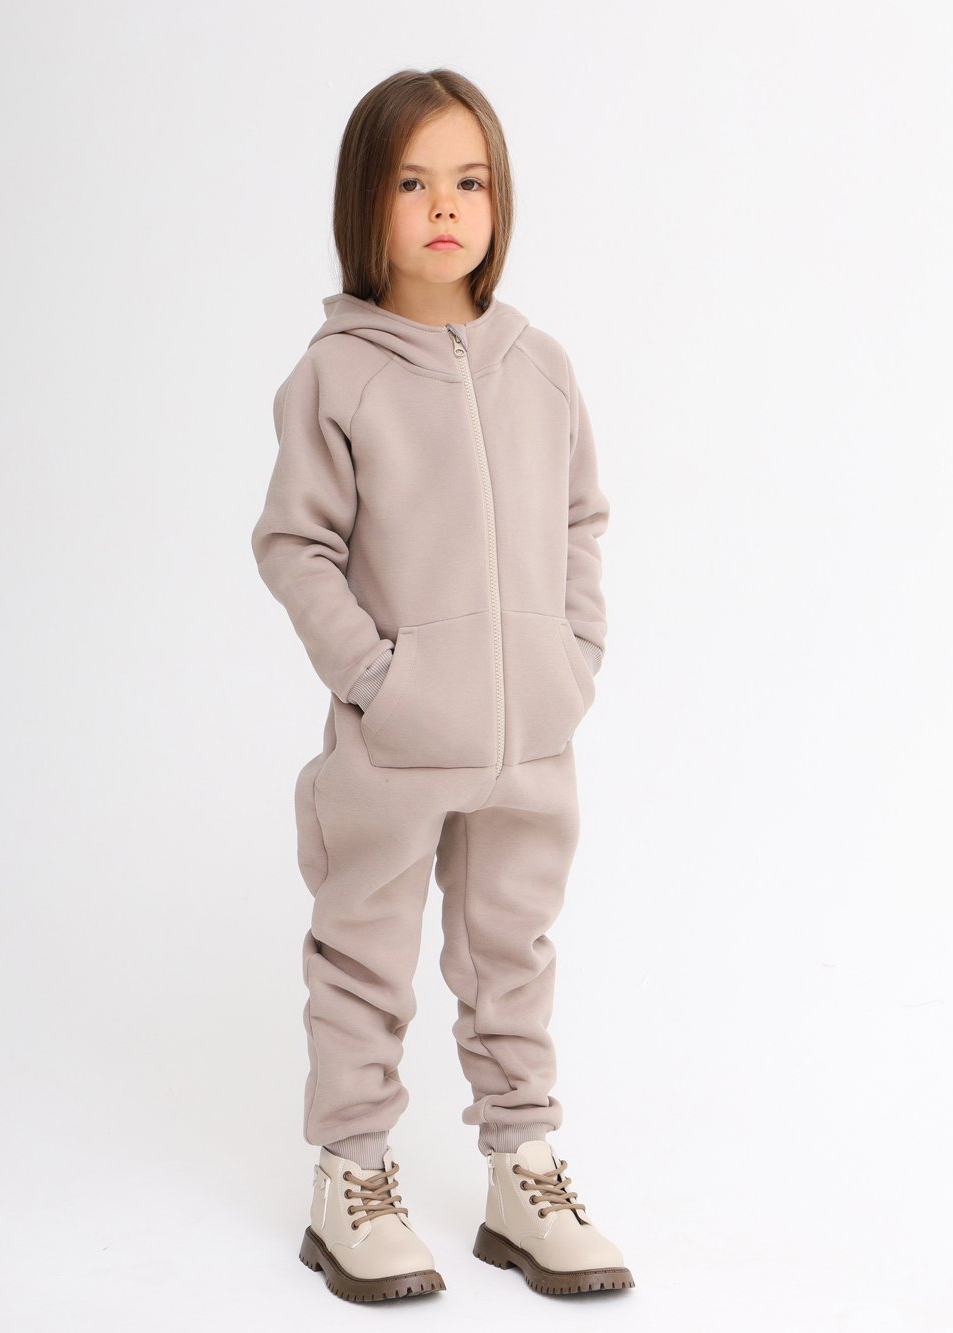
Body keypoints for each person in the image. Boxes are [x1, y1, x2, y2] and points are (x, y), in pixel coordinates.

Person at [251, 67, 635, 1303]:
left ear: (498, 198)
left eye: (468, 181)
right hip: (395, 745)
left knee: (511, 953)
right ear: (365, 203)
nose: (443, 207)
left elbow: (580, 519)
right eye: (412, 183)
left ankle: (522, 1172)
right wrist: (374, 676)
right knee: (363, 955)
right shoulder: (337, 374)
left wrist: (572, 660)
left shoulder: (542, 365)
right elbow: (294, 543)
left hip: (531, 742)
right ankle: (349, 1178)